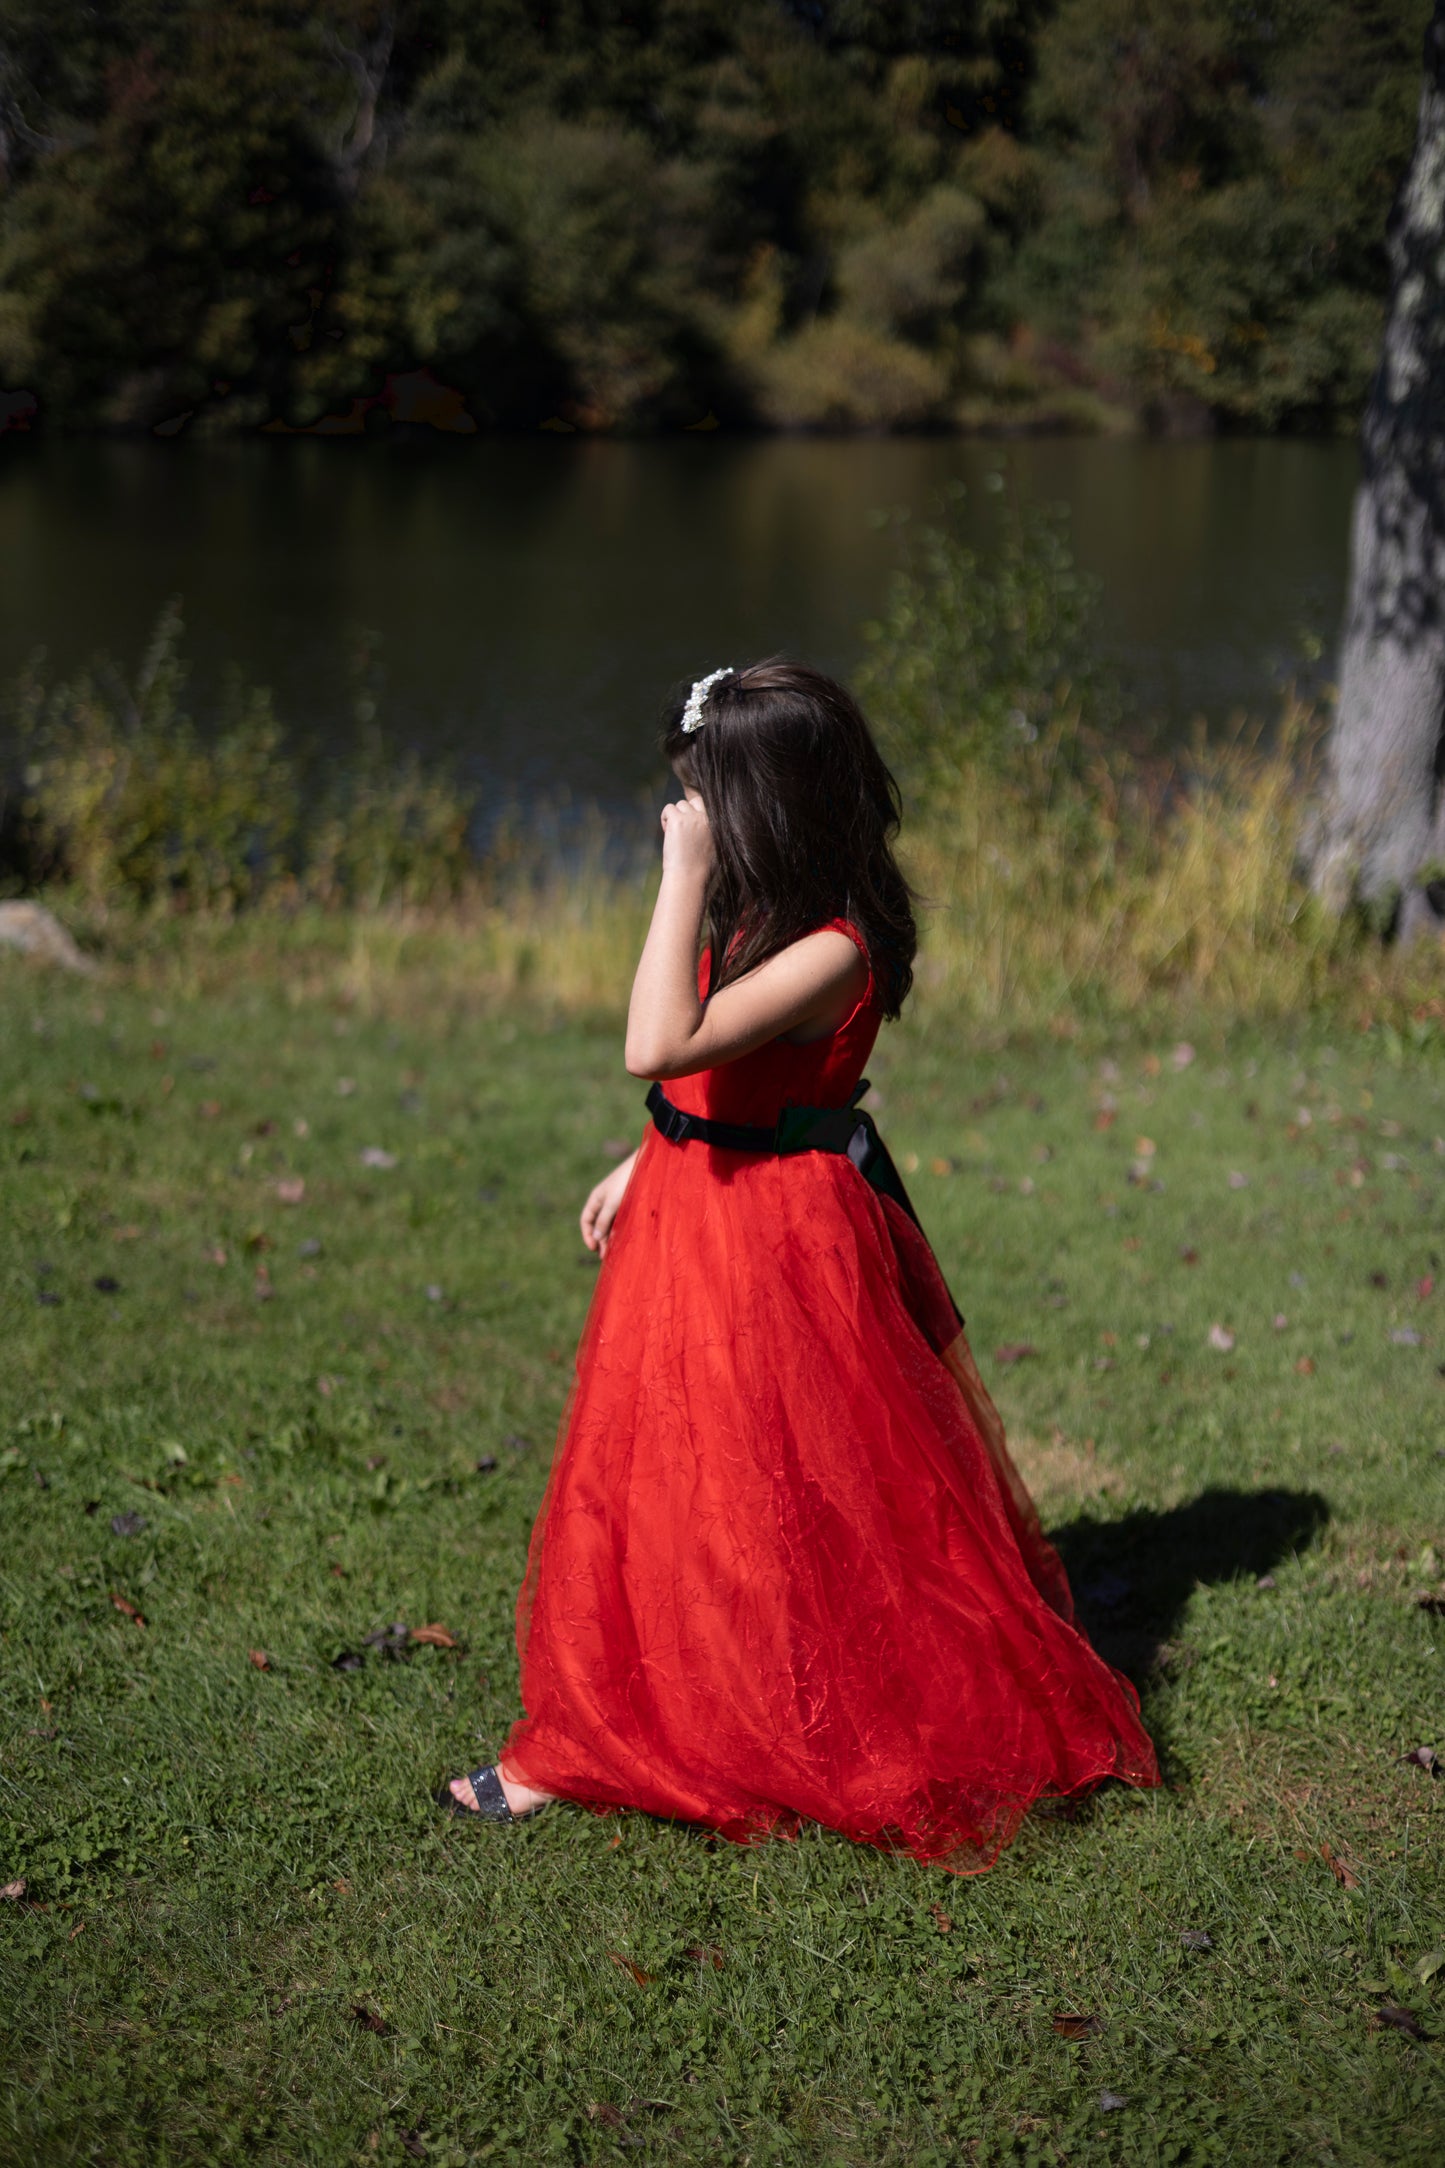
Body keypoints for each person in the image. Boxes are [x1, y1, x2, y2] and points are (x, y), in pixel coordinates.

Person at [441, 660, 1159, 1870]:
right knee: (660, 1471)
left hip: (767, 1240)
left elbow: (653, 1036)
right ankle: (630, 1705)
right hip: (690, 1199)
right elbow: (697, 1071)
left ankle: (740, 1717)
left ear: (764, 805)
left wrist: (675, 878)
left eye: (703, 800)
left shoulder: (831, 945)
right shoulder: (766, 904)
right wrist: (651, 1147)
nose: (685, 818)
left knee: (771, 1482)